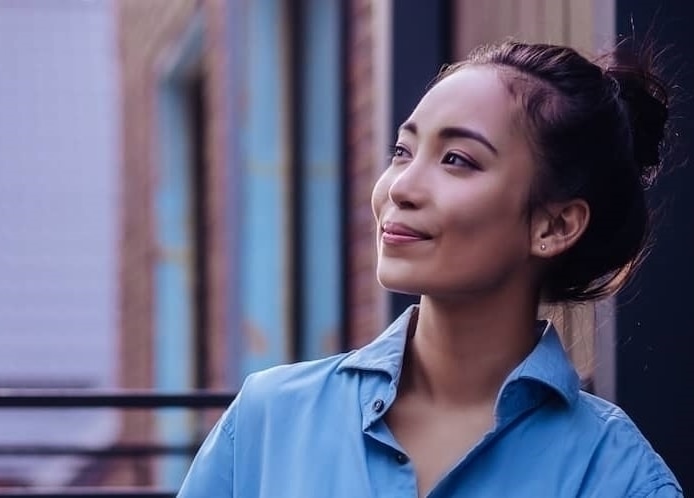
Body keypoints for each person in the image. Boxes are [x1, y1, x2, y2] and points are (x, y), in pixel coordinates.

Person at [177, 39, 683, 497]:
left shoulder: (616, 476)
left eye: (457, 160)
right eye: (402, 151)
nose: (400, 187)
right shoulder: (268, 420)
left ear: (554, 226)